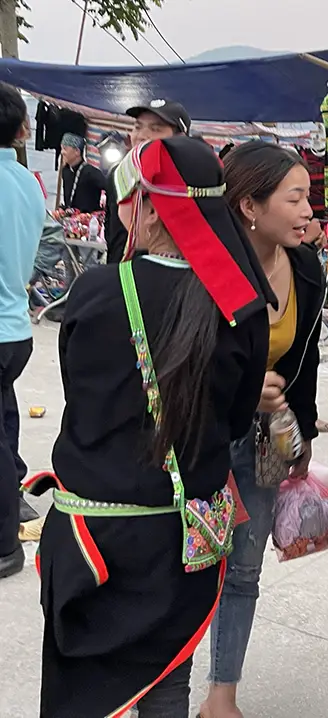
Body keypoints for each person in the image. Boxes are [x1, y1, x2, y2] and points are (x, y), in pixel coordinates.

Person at [22, 135, 272, 716]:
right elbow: (235, 422)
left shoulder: (94, 291)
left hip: (93, 543)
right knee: (166, 681)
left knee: (80, 689)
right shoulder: (241, 305)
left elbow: (80, 398)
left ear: (153, 206)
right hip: (182, 540)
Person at [201, 141, 325, 718]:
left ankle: (222, 695)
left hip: (268, 438)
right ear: (250, 204)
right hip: (203, 435)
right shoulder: (206, 267)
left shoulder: (306, 268)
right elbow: (181, 366)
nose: (308, 212)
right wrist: (240, 391)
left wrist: (299, 436)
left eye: (309, 198)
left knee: (245, 567)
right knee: (191, 559)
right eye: (295, 198)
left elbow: (306, 361)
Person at [0, 84, 45, 581]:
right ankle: (14, 492)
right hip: (16, 327)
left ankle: (4, 543)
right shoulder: (29, 184)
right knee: (5, 415)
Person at [105, 99, 191, 264]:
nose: (141, 135)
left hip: (165, 276)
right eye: (137, 127)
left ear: (180, 138)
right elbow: (112, 231)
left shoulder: (185, 181)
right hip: (119, 273)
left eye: (156, 129)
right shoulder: (117, 174)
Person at [59, 132, 106, 214]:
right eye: (61, 149)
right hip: (71, 218)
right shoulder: (66, 171)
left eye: (65, 149)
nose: (62, 152)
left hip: (89, 220)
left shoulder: (90, 172)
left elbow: (109, 188)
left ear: (77, 151)